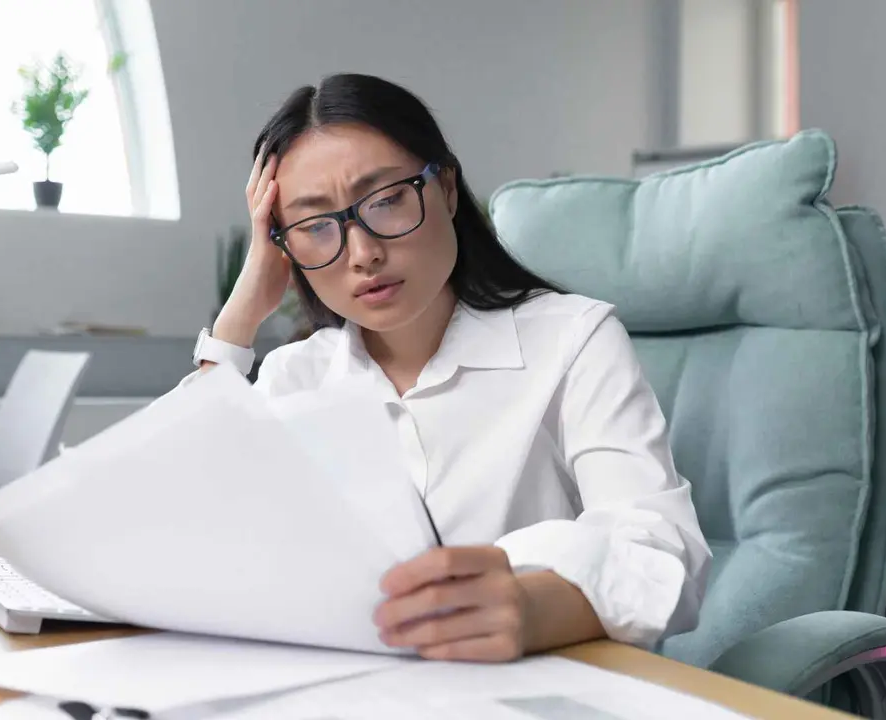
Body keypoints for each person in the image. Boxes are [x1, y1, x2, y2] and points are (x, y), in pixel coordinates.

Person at [187, 73, 711, 662]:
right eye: (314, 227)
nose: (363, 254)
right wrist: (237, 319)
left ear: (449, 190)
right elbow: (182, 529)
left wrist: (533, 608)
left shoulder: (572, 339)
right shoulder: (295, 376)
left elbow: (663, 556)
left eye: (386, 201)